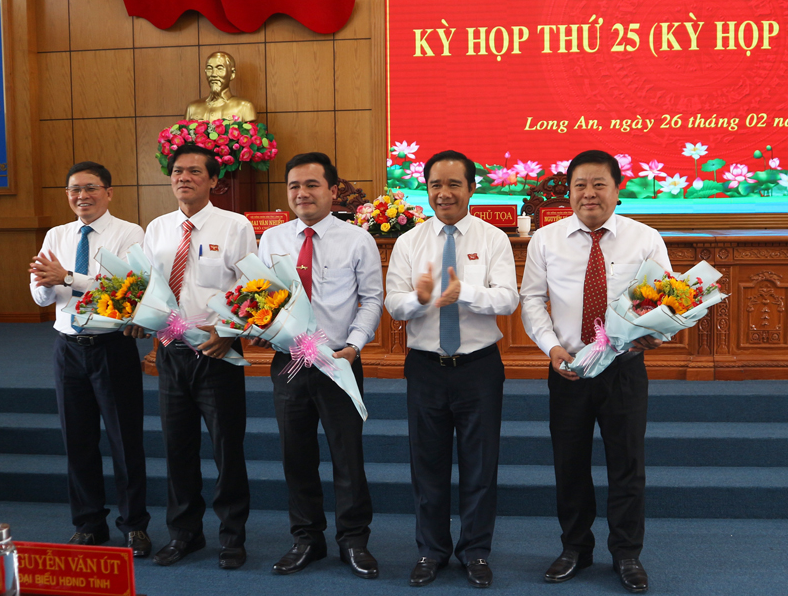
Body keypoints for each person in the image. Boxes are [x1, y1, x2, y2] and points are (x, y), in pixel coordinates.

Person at [520, 150, 668, 594]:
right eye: (580, 185)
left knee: (627, 466)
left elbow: (666, 300)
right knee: (570, 465)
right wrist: (551, 348)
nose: (589, 193)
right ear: (569, 192)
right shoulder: (546, 240)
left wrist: (655, 335)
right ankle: (575, 549)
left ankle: (626, 554)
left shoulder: (645, 238)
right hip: (570, 370)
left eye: (599, 184)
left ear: (617, 189)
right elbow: (531, 300)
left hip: (624, 369)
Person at [385, 150, 519, 588]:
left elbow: (507, 299)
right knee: (428, 465)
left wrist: (464, 293)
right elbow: (393, 303)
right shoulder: (409, 241)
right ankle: (431, 551)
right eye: (435, 185)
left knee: (481, 465)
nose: (444, 193)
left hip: (478, 366)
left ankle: (476, 552)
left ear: (471, 188)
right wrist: (421, 299)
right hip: (425, 366)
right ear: (426, 190)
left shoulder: (492, 238)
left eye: (453, 184)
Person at [254, 152, 384, 578]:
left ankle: (353, 541)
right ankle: (306, 539)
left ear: (332, 190)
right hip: (289, 362)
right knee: (297, 456)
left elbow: (371, 299)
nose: (302, 193)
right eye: (294, 186)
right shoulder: (272, 240)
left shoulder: (356, 239)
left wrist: (356, 345)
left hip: (338, 363)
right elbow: (262, 297)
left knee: (348, 457)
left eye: (311, 185)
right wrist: (259, 324)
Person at [131, 144, 257, 568]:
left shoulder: (235, 225)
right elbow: (149, 286)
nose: (183, 178)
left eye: (194, 172)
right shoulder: (158, 228)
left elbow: (252, 288)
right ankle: (185, 533)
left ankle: (232, 536)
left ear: (214, 180)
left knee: (226, 448)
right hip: (171, 351)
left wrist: (227, 333)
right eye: (177, 171)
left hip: (217, 349)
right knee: (177, 448)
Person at [29, 161, 152, 557]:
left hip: (111, 347)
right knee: (77, 440)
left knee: (124, 439)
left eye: (90, 188)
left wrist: (67, 278)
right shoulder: (56, 234)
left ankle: (134, 525)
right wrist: (48, 285)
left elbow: (123, 293)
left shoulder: (130, 233)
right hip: (67, 348)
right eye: (73, 190)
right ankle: (88, 524)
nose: (81, 196)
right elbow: (39, 293)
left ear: (109, 192)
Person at [184, 51, 257, 122]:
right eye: (209, 68)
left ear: (232, 74)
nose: (213, 74)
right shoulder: (192, 108)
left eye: (219, 69)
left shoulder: (244, 107)